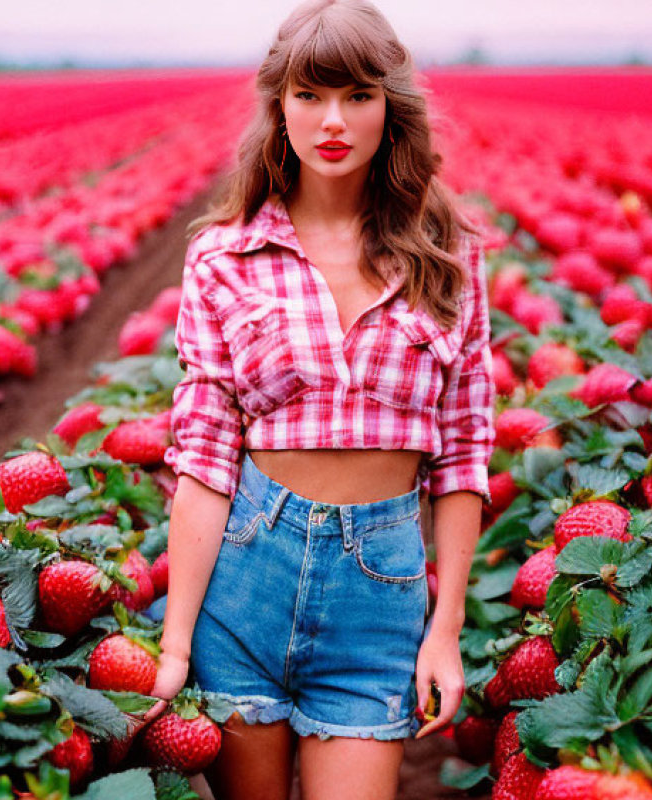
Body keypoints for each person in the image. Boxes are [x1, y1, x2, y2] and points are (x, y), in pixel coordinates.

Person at [147, 1, 495, 798]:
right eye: (309, 96)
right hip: (246, 579)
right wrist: (173, 643)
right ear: (278, 107)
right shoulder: (224, 256)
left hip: (378, 599)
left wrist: (445, 633)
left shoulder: (447, 258)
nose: (332, 120)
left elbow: (466, 453)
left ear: (390, 107)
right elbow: (203, 462)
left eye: (357, 96)